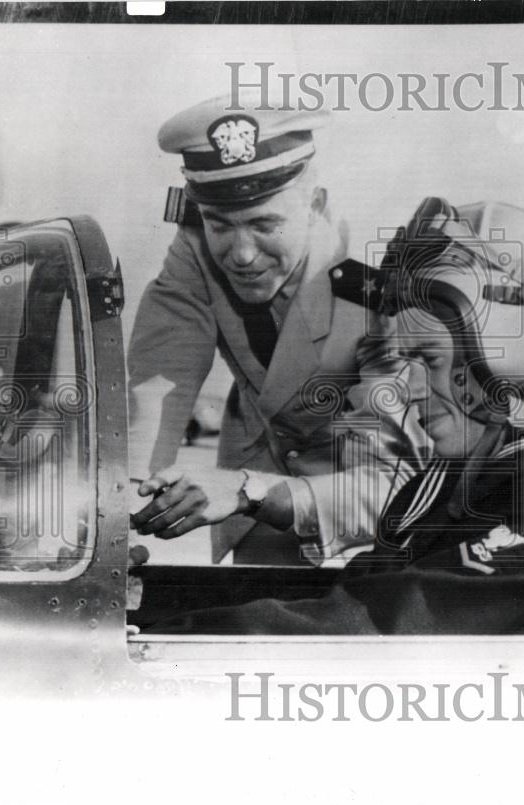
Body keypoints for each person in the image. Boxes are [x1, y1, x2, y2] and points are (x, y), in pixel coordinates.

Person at [141, 198, 524, 634]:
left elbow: (376, 625)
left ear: (509, 358)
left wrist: (160, 641)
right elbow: (352, 592)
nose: (409, 388)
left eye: (430, 359)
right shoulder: (448, 481)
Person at [128, 93, 423, 565]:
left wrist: (251, 491)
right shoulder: (196, 246)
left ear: (316, 203)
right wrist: (128, 511)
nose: (241, 254)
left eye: (265, 224)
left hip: (359, 508)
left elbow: (399, 485)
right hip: (252, 497)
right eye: (221, 225)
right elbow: (159, 382)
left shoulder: (377, 285)